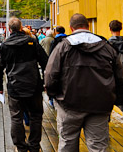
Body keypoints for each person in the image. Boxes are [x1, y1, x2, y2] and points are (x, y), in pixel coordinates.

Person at [45, 13, 123, 152]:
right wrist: (115, 99)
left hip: (68, 104)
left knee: (67, 145)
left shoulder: (63, 47)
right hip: (100, 105)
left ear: (71, 28)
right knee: (98, 147)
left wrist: (54, 95)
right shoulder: (107, 47)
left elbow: (50, 75)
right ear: (88, 26)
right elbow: (120, 77)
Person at [0, 17, 48, 152]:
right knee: (36, 116)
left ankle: (21, 146)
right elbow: (45, 61)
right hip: (34, 86)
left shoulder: (4, 46)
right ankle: (34, 145)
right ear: (21, 27)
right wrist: (46, 81)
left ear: (8, 29)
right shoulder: (32, 42)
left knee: (16, 117)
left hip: (15, 87)